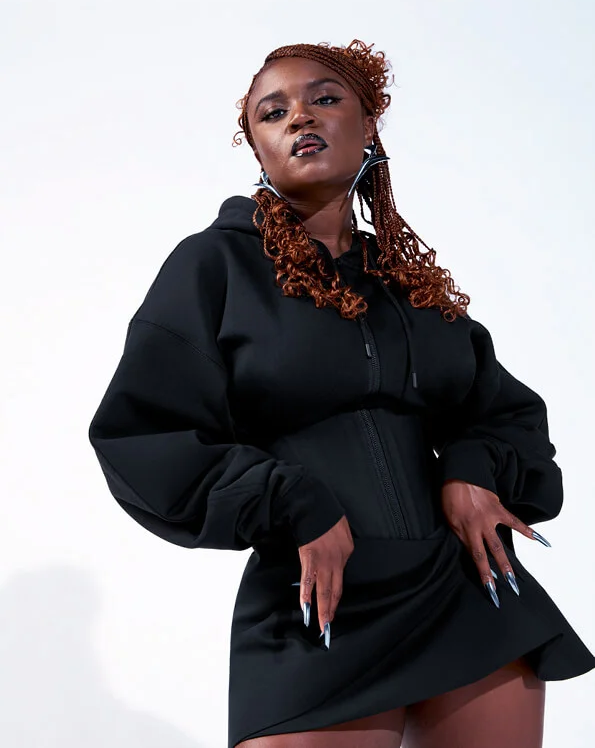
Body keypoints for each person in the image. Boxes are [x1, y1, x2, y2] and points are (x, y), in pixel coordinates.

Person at [88, 39, 595, 748]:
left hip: (462, 591)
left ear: (368, 126)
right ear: (258, 149)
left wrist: (473, 469)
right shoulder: (215, 266)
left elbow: (504, 411)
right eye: (273, 113)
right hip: (318, 600)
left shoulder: (405, 284)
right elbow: (142, 435)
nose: (300, 117)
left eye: (324, 99)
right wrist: (292, 501)